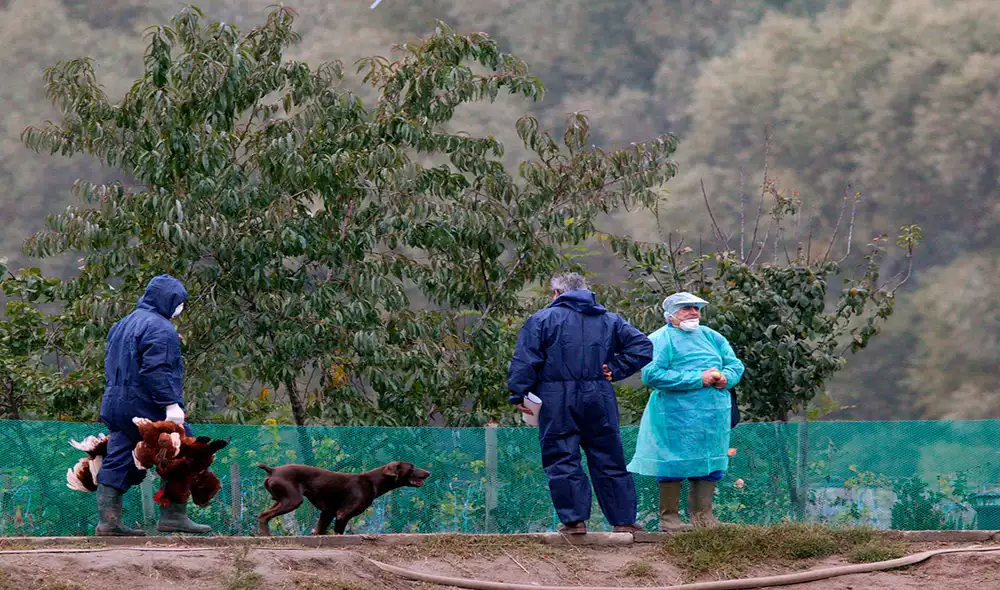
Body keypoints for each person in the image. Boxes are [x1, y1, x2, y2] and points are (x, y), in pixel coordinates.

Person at [508, 272, 654, 534]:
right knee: (609, 458)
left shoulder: (541, 319)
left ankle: (574, 522)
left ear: (556, 293)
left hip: (555, 400)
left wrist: (519, 393)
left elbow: (525, 361)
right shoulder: (610, 320)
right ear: (586, 291)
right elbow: (643, 346)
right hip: (599, 396)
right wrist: (617, 368)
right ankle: (624, 522)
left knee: (562, 458)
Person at [95, 274, 212, 536]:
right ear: (169, 300)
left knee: (119, 455)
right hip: (145, 403)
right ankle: (173, 516)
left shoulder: (123, 324)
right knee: (186, 450)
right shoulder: (160, 327)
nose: (180, 308)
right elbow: (158, 369)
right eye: (179, 302)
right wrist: (171, 404)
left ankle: (108, 522)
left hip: (115, 402)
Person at [627, 292, 745, 531]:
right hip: (674, 415)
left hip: (713, 416)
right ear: (671, 314)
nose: (694, 313)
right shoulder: (661, 339)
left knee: (710, 461)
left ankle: (704, 518)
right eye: (686, 308)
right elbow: (652, 374)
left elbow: (735, 364)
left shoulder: (712, 337)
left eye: (697, 308)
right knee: (672, 463)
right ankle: (669, 519)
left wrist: (726, 378)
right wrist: (696, 379)